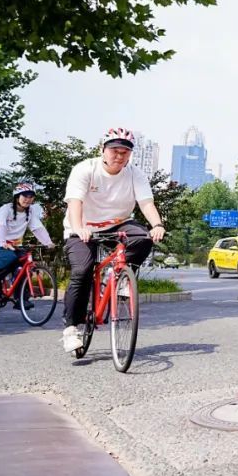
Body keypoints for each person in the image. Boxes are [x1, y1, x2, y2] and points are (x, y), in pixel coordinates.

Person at [61, 128, 166, 353]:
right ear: (103, 150)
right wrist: (79, 228)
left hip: (118, 224)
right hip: (83, 227)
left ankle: (119, 277)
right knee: (82, 270)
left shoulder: (135, 174)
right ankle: (71, 329)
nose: (119, 156)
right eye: (114, 151)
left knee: (143, 238)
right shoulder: (85, 169)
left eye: (124, 152)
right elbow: (75, 203)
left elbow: (146, 203)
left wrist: (157, 225)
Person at [0, 182, 56, 308]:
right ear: (17, 197)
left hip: (13, 245)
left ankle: (21, 299)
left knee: (24, 267)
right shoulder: (5, 209)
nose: (28, 199)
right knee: (9, 257)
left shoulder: (30, 212)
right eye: (25, 196)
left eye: (31, 196)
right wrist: (3, 242)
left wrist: (48, 242)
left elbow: (37, 228)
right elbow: (1, 225)